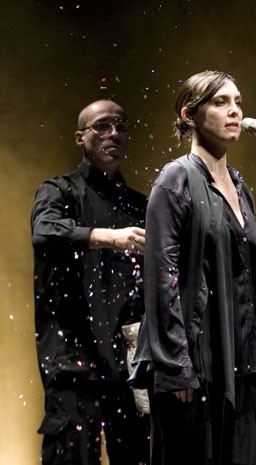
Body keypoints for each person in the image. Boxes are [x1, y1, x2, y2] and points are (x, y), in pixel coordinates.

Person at [129, 69, 256, 465]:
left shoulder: (240, 186)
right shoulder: (176, 179)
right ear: (190, 115)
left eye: (238, 102)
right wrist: (175, 366)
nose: (234, 111)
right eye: (221, 102)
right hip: (198, 369)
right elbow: (161, 277)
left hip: (246, 367)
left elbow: (252, 285)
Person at [31, 100, 150, 465]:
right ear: (80, 138)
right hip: (73, 362)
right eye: (102, 126)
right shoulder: (59, 191)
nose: (113, 133)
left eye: (121, 125)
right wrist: (106, 237)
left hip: (129, 367)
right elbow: (45, 232)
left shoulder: (140, 205)